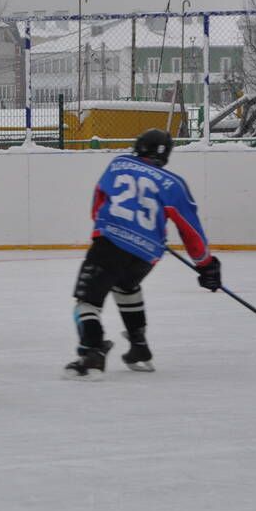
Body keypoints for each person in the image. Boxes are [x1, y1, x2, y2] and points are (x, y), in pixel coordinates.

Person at [64, 128, 220, 377]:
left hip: (110, 243)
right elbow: (190, 229)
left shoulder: (118, 164)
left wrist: (107, 227)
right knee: (126, 287)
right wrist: (206, 265)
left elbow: (98, 203)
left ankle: (92, 353)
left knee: (87, 303)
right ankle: (139, 347)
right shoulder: (174, 184)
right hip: (147, 253)